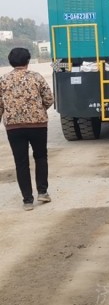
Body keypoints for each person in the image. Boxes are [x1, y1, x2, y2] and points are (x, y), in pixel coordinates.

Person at [0, 48, 54, 211]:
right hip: (37, 124)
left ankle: (27, 200)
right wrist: (39, 109)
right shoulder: (36, 77)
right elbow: (49, 99)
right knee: (40, 156)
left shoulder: (3, 80)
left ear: (10, 62)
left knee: (21, 162)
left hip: (13, 127)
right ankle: (42, 192)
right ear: (28, 60)